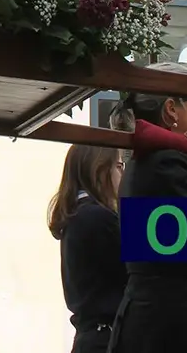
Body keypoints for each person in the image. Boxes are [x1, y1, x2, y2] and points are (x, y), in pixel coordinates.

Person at [107, 62, 187, 353]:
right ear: (171, 110)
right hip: (174, 323)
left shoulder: (152, 161)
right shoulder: (165, 164)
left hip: (162, 317)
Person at [49, 145, 125, 353]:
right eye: (119, 166)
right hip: (106, 340)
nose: (123, 174)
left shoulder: (78, 216)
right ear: (100, 170)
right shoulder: (98, 218)